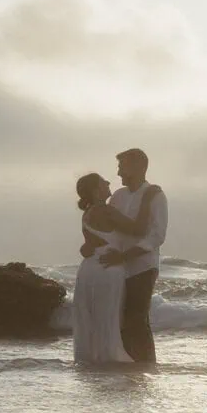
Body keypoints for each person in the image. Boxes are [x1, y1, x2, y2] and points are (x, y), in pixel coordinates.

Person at [79, 148, 168, 363]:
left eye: (122, 167)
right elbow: (106, 227)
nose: (118, 173)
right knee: (119, 320)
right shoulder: (117, 196)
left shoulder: (156, 196)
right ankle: (127, 367)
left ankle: (145, 365)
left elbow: (156, 236)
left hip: (142, 266)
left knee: (137, 318)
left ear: (138, 167)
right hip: (115, 267)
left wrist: (125, 256)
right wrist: (90, 245)